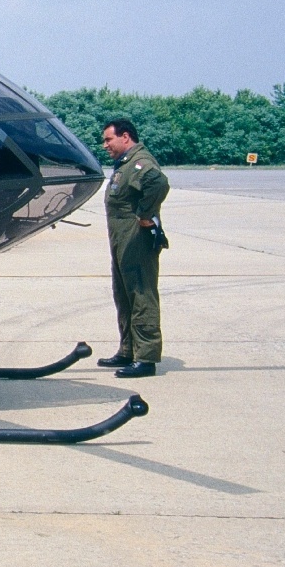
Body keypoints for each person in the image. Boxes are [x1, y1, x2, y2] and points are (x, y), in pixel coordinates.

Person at [99, 118, 170, 378]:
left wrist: (145, 213)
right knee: (124, 295)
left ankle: (147, 357)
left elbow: (158, 184)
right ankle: (128, 349)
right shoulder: (125, 165)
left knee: (141, 295)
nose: (105, 145)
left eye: (109, 139)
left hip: (136, 241)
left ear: (125, 137)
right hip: (123, 242)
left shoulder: (140, 163)